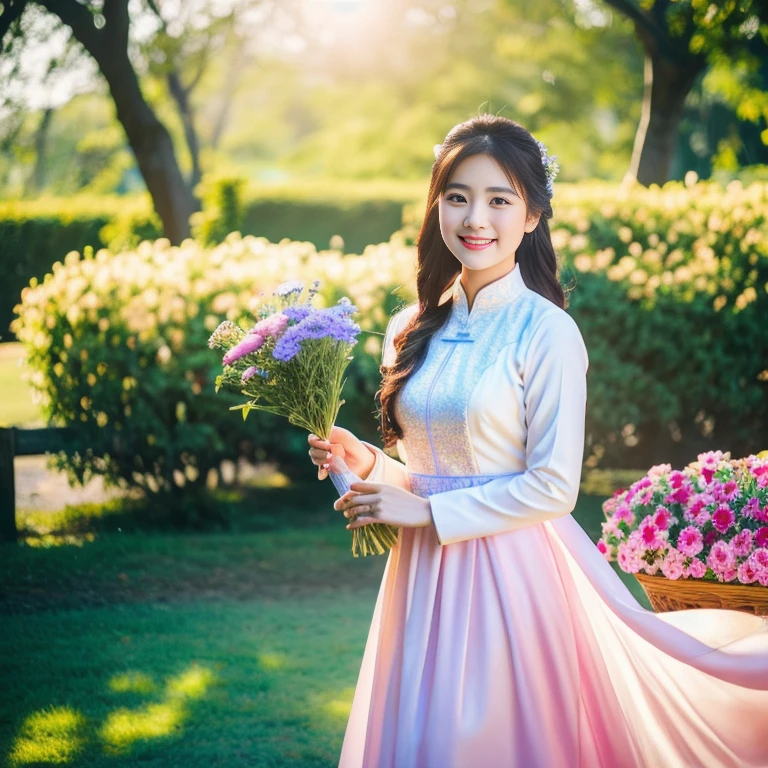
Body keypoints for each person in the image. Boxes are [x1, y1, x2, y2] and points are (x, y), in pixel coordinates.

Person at [307, 115, 768, 768]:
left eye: (500, 200)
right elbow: (430, 469)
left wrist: (431, 513)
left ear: (531, 216)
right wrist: (370, 465)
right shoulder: (408, 327)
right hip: (417, 578)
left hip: (507, 578)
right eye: (458, 195)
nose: (476, 217)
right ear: (436, 202)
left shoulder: (545, 331)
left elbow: (554, 486)